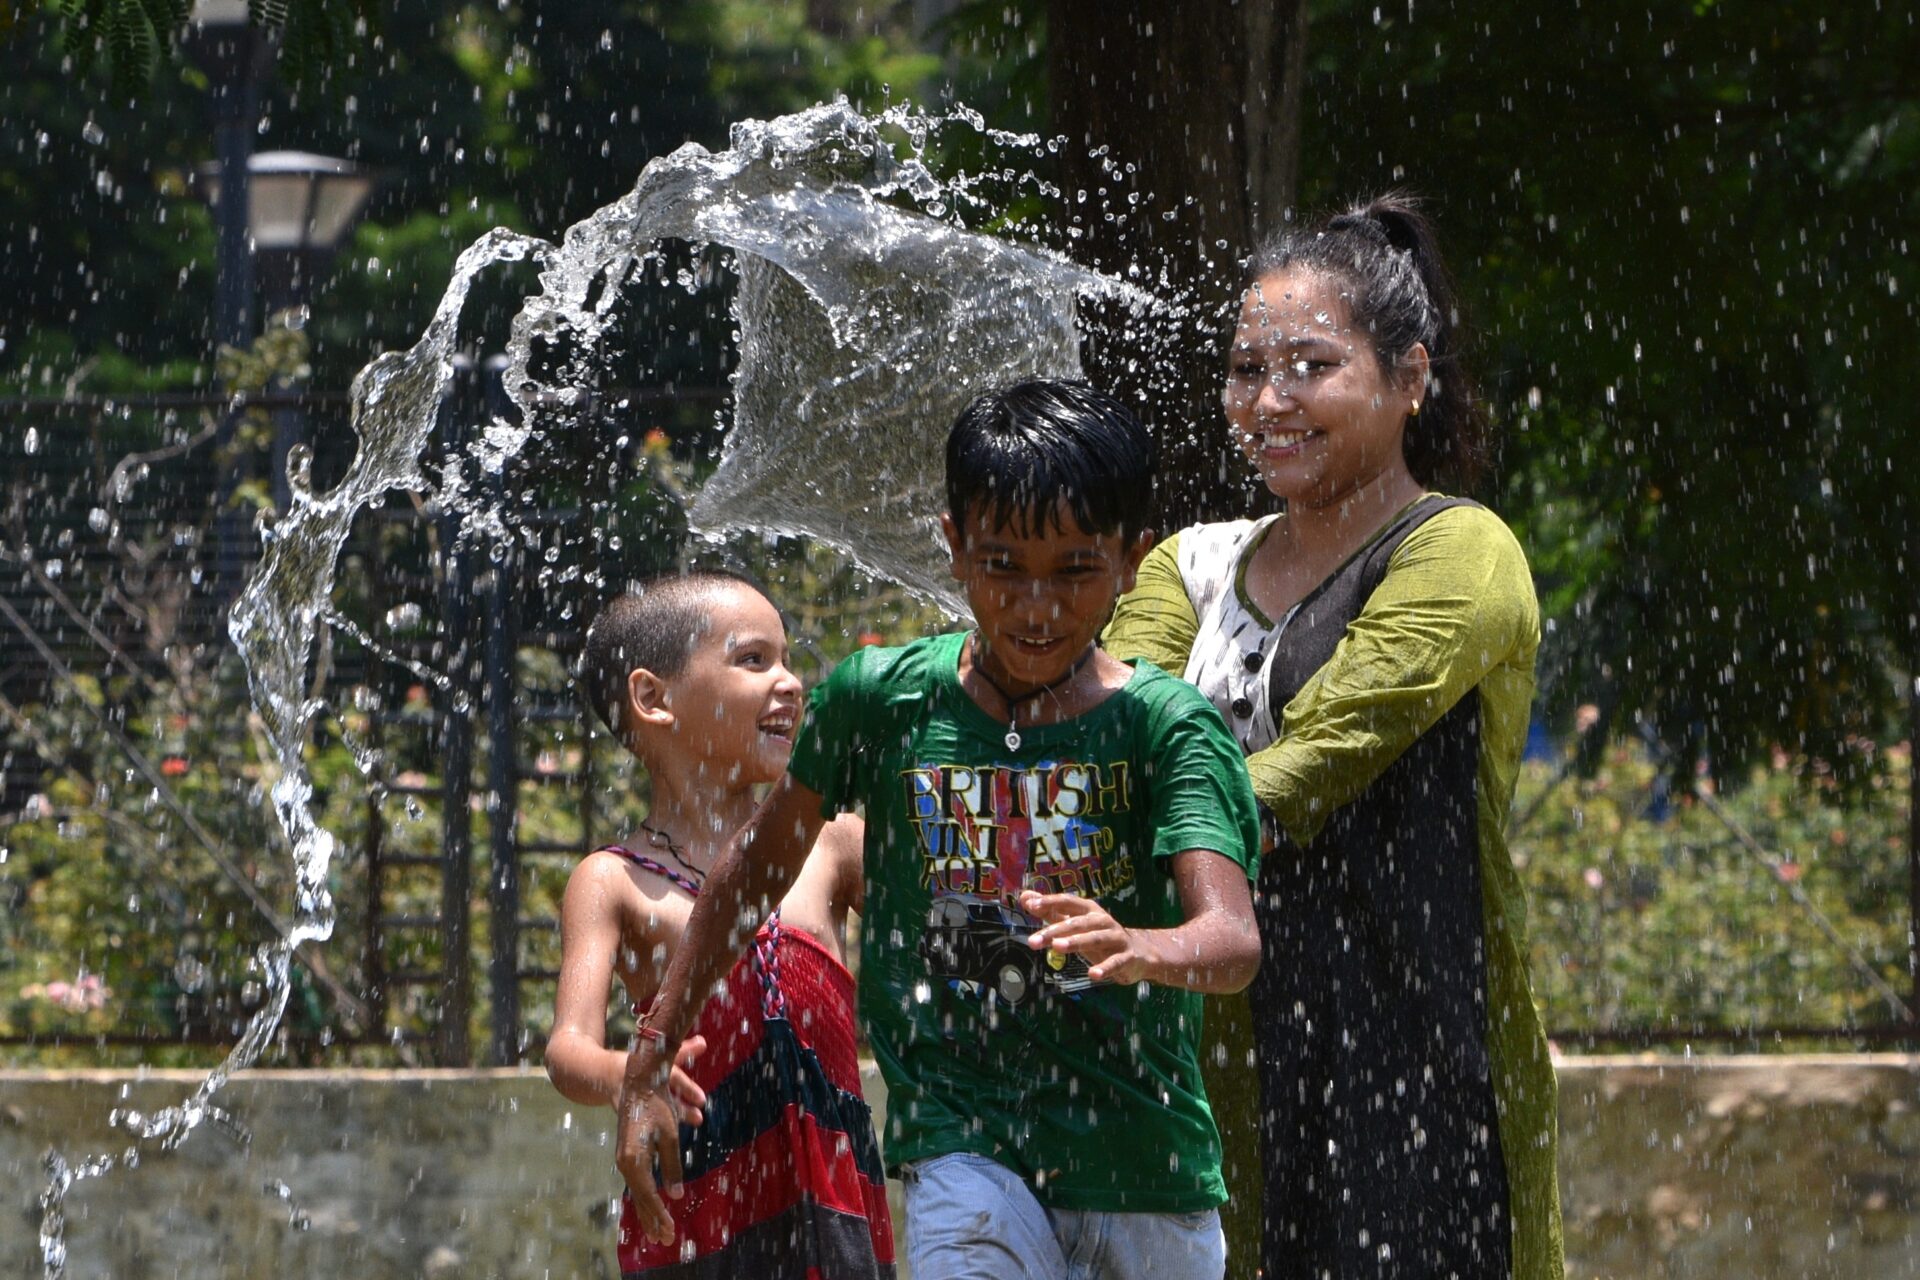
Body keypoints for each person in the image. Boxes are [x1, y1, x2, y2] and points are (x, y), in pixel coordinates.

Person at [612, 379, 1265, 1280]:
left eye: (1076, 570)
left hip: (1144, 1170)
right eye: (1003, 566)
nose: (1036, 606)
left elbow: (1230, 941)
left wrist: (1142, 946)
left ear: (1130, 558)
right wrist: (647, 1061)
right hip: (963, 1144)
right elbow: (749, 877)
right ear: (953, 548)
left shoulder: (1167, 729)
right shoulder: (883, 702)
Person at [1104, 194, 1565, 1279]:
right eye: (1244, 371)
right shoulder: (1190, 563)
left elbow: (1316, 760)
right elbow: (1108, 723)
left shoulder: (1462, 549)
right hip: (1211, 1069)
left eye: (1309, 366)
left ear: (1409, 377)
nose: (1268, 401)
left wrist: (1135, 807)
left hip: (1417, 1065)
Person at [546, 573, 895, 1278]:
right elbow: (567, 1049)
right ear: (653, 698)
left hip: (832, 1206)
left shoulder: (835, 847)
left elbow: (940, 935)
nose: (791, 683)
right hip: (698, 1206)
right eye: (754, 660)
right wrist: (631, 1075)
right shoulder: (614, 880)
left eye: (788, 659)